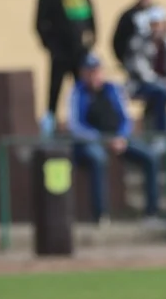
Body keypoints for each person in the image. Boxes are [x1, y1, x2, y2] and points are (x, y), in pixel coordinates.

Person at [67, 54, 160, 224]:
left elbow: (126, 118)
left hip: (118, 138)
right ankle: (101, 216)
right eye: (89, 72)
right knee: (98, 159)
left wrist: (121, 137)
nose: (93, 75)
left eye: (96, 71)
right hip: (91, 141)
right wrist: (102, 139)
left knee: (150, 157)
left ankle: (151, 214)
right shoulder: (77, 92)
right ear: (82, 73)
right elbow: (76, 126)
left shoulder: (113, 89)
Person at [35, 0, 97, 134]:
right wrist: (51, 46)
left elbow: (91, 19)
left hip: (80, 51)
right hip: (60, 52)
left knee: (83, 90)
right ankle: (50, 124)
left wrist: (91, 41)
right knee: (55, 88)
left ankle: (85, 122)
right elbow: (39, 23)